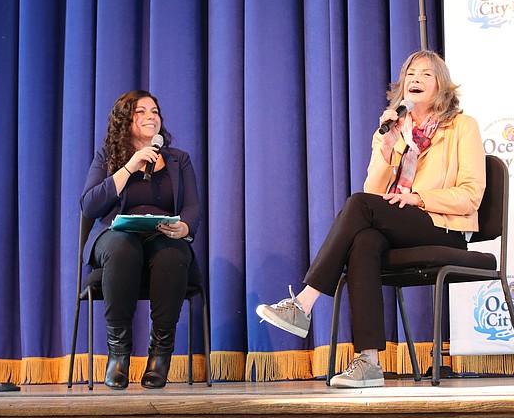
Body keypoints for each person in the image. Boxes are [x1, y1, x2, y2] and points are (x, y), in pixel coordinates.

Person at [256, 50, 485, 388]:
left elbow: (471, 194)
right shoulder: (390, 131)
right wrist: (388, 147)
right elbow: (373, 191)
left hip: (441, 226)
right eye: (410, 75)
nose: (415, 80)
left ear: (441, 87)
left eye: (425, 75)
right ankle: (369, 362)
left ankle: (304, 302)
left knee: (359, 207)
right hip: (399, 222)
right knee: (363, 240)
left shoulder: (461, 127)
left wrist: (419, 198)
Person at [80, 89, 202, 390]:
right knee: (123, 247)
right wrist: (130, 166)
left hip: (163, 236)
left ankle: (160, 357)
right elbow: (90, 205)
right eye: (142, 111)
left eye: (155, 111)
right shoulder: (108, 156)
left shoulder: (178, 159)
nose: (151, 117)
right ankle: (118, 355)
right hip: (117, 235)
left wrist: (184, 228)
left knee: (173, 254)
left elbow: (193, 207)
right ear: (125, 120)